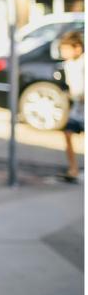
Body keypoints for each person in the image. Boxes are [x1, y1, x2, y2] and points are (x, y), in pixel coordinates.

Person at [59, 30, 84, 183]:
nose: (64, 53)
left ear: (78, 48)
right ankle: (73, 168)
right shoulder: (67, 65)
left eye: (67, 49)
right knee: (68, 133)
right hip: (77, 108)